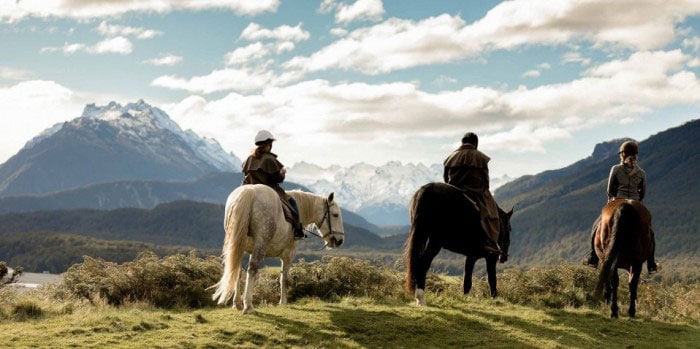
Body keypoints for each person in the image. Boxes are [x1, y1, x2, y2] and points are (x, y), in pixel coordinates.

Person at [583, 140, 659, 273]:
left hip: (617, 199)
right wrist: (636, 200)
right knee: (649, 232)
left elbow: (610, 190)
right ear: (636, 155)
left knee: (596, 226)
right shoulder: (641, 173)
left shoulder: (616, 169)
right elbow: (643, 192)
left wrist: (613, 199)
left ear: (622, 155)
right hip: (636, 202)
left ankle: (593, 257)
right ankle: (651, 263)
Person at [443, 132, 502, 255]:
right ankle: (488, 241)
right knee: (492, 214)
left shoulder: (451, 157)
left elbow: (445, 178)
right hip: (473, 192)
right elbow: (486, 180)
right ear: (475, 143)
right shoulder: (480, 157)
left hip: (453, 190)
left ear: (462, 142)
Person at [241, 130, 305, 240]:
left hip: (248, 187)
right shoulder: (270, 159)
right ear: (268, 144)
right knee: (292, 202)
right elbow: (277, 179)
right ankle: (298, 230)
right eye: (271, 144)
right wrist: (282, 173)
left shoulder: (249, 158)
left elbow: (246, 173)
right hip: (269, 189)